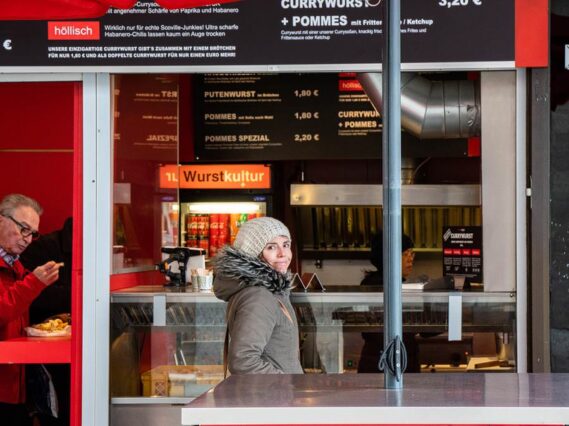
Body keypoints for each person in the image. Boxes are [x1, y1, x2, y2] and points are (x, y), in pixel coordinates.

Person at [213, 217, 303, 375]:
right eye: (271, 247)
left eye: (286, 245)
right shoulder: (259, 296)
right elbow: (243, 361)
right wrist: (286, 384)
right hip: (273, 390)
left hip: (278, 389)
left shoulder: (269, 290)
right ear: (253, 253)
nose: (282, 254)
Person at [0, 194, 62, 426]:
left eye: (33, 233)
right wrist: (33, 283)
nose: (27, 239)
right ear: (1, 220)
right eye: (23, 229)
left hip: (15, 385)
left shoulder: (15, 265)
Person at [19, 217, 72, 426]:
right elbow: (31, 297)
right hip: (45, 349)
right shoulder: (43, 248)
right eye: (24, 229)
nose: (26, 238)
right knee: (57, 410)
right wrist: (79, 296)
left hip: (72, 344)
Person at [358, 230, 420, 373]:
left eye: (411, 254)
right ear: (388, 257)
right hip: (381, 364)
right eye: (405, 254)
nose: (410, 259)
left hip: (400, 363)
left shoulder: (398, 286)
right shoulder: (375, 287)